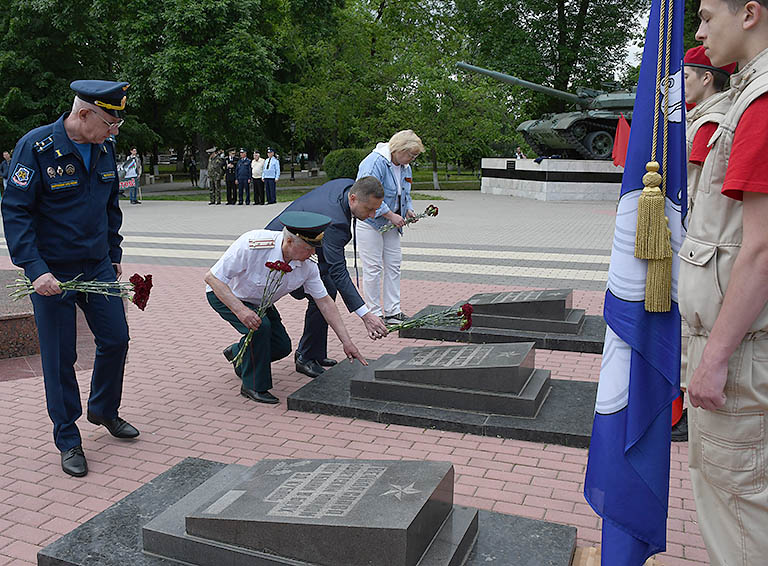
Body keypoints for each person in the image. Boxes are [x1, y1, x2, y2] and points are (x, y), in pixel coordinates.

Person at [1, 80, 139, 478]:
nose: (114, 131)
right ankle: (68, 437)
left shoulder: (104, 149)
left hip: (96, 265)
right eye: (111, 122)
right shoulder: (37, 147)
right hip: (53, 272)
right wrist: (35, 269)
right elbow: (16, 213)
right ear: (84, 115)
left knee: (116, 339)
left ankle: (103, 410)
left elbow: (111, 208)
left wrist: (114, 255)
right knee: (61, 358)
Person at [680, 1, 768, 563]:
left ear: (751, 14)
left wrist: (714, 356)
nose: (700, 29)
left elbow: (760, 251)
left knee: (736, 516)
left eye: (709, 15)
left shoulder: (758, 104)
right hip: (740, 345)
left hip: (738, 354)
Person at [205, 211, 368, 404]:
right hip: (226, 294)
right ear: (290, 242)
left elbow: (325, 302)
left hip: (260, 302)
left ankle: (238, 352)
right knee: (261, 327)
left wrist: (346, 342)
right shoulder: (252, 244)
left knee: (281, 347)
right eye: (309, 248)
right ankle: (253, 386)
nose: (313, 253)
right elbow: (212, 278)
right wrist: (241, 311)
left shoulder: (307, 266)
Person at [673, 47, 737, 443]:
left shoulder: (707, 122)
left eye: (686, 76)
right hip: (699, 241)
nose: (680, 85)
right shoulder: (702, 117)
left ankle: (680, 411)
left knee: (687, 334)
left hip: (699, 245)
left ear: (707, 77)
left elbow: (695, 193)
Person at [266, 176, 389, 378]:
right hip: (283, 252)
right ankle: (302, 357)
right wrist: (366, 315)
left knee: (327, 289)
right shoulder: (335, 222)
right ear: (353, 199)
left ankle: (313, 352)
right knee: (321, 294)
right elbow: (338, 270)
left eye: (376, 209)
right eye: (369, 209)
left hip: (303, 245)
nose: (373, 214)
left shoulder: (347, 185)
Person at [354, 130, 424, 324]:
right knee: (373, 268)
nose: (412, 159)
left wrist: (407, 209)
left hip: (391, 224)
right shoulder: (375, 162)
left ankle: (393, 311)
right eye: (411, 154)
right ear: (399, 149)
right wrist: (390, 214)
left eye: (415, 155)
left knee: (394, 265)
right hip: (370, 222)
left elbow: (405, 192)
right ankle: (374, 313)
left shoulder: (405, 166)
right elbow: (366, 194)